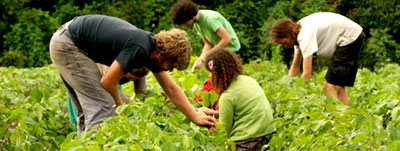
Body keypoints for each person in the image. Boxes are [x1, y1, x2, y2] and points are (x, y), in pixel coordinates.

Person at [49, 14, 215, 133]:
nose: (169, 70)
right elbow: (107, 82)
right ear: (162, 54)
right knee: (104, 107)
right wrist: (119, 106)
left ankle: (84, 143)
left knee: (88, 111)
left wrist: (195, 115)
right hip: (69, 44)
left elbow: (171, 88)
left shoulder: (150, 49)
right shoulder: (140, 47)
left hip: (66, 39)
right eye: (170, 66)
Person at [271, 12, 365, 106]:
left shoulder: (304, 35)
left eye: (284, 42)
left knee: (331, 85)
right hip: (351, 35)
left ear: (287, 33)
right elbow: (295, 66)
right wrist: (288, 87)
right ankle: (344, 114)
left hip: (349, 36)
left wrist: (299, 96)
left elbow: (307, 74)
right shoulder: (297, 35)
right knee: (336, 85)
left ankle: (339, 115)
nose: (285, 45)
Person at [204, 48, 276, 150]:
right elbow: (242, 112)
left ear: (217, 74)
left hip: (246, 142)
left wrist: (208, 124)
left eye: (211, 73)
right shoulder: (249, 80)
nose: (209, 75)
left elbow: (224, 131)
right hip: (268, 136)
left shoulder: (227, 96)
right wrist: (212, 113)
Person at [170, 0, 241, 70]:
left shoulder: (210, 19)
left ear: (189, 16)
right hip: (220, 52)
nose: (184, 25)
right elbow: (208, 44)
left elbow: (227, 39)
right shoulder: (196, 25)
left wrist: (207, 55)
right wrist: (200, 59)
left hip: (232, 51)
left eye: (184, 22)